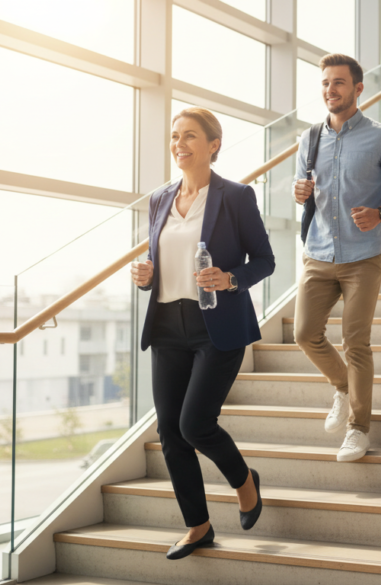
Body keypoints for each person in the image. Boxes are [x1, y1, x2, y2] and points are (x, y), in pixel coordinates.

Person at [130, 107, 276, 559]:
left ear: (213, 144)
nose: (180, 144)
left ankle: (244, 480)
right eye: (175, 136)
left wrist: (230, 279)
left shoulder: (235, 196)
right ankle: (198, 525)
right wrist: (146, 276)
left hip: (217, 326)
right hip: (168, 326)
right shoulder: (159, 199)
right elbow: (164, 265)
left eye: (190, 136)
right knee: (170, 432)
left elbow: (264, 261)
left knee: (195, 425)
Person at [292, 54, 381, 463]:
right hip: (318, 251)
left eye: (339, 83)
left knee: (355, 342)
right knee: (304, 333)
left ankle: (358, 428)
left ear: (358, 88)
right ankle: (344, 387)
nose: (331, 90)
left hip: (364, 256)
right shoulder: (309, 139)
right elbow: (306, 191)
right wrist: (300, 194)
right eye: (326, 83)